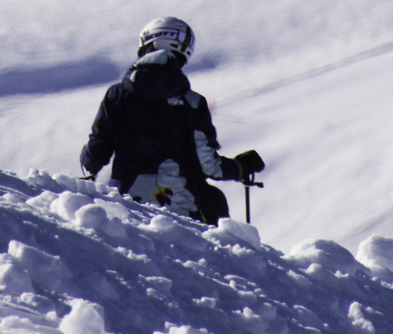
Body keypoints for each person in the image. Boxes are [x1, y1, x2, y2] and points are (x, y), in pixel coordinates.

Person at [79, 16, 262, 224]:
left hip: (126, 206)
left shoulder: (117, 95)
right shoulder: (193, 103)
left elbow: (97, 150)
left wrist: (88, 163)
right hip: (182, 207)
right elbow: (208, 165)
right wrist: (239, 168)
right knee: (214, 201)